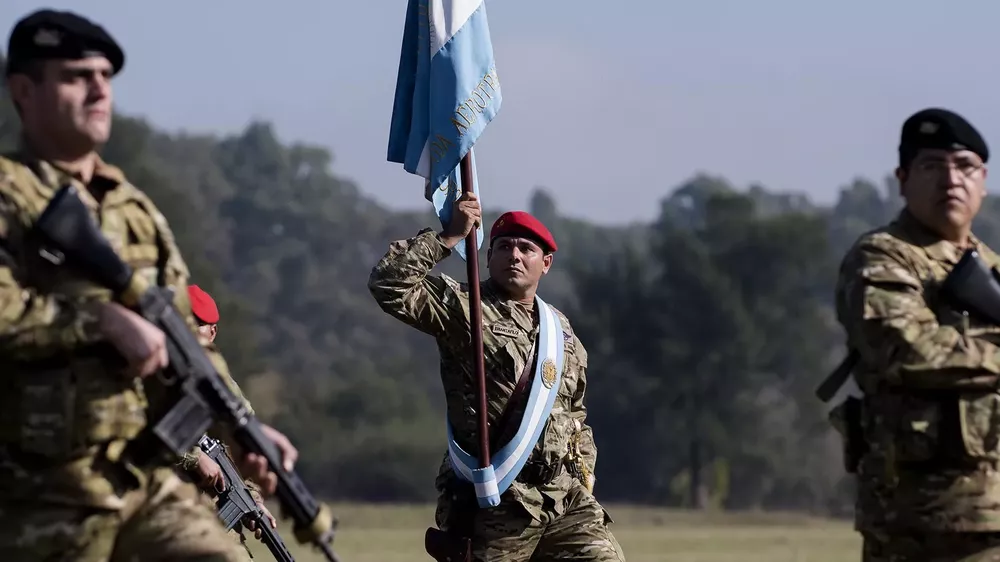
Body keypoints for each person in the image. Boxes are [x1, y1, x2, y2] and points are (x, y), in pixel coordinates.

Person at [0, 8, 296, 561]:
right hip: (38, 486)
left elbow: (186, 342)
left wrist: (243, 429)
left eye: (105, 77)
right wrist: (100, 321)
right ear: (24, 91)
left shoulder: (135, 210)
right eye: (76, 77)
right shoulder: (7, 194)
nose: (98, 91)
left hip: (141, 479)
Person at [368, 193, 625, 562]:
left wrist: (584, 475)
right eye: (504, 247)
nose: (514, 255)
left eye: (526, 249)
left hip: (563, 499)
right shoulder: (465, 307)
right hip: (499, 502)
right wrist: (449, 237)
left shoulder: (560, 330)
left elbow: (575, 413)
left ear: (546, 263)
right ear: (488, 257)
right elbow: (389, 284)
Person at [830, 107, 1000, 562]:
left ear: (983, 180)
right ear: (902, 180)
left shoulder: (991, 269)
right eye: (932, 166)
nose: (951, 179)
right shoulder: (883, 257)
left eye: (965, 166)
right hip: (921, 525)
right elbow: (909, 349)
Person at [182, 284, 278, 560]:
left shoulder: (224, 388)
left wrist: (252, 502)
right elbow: (139, 428)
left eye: (198, 324)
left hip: (212, 517)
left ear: (212, 332)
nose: (191, 330)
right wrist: (194, 458)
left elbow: (243, 452)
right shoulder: (150, 370)